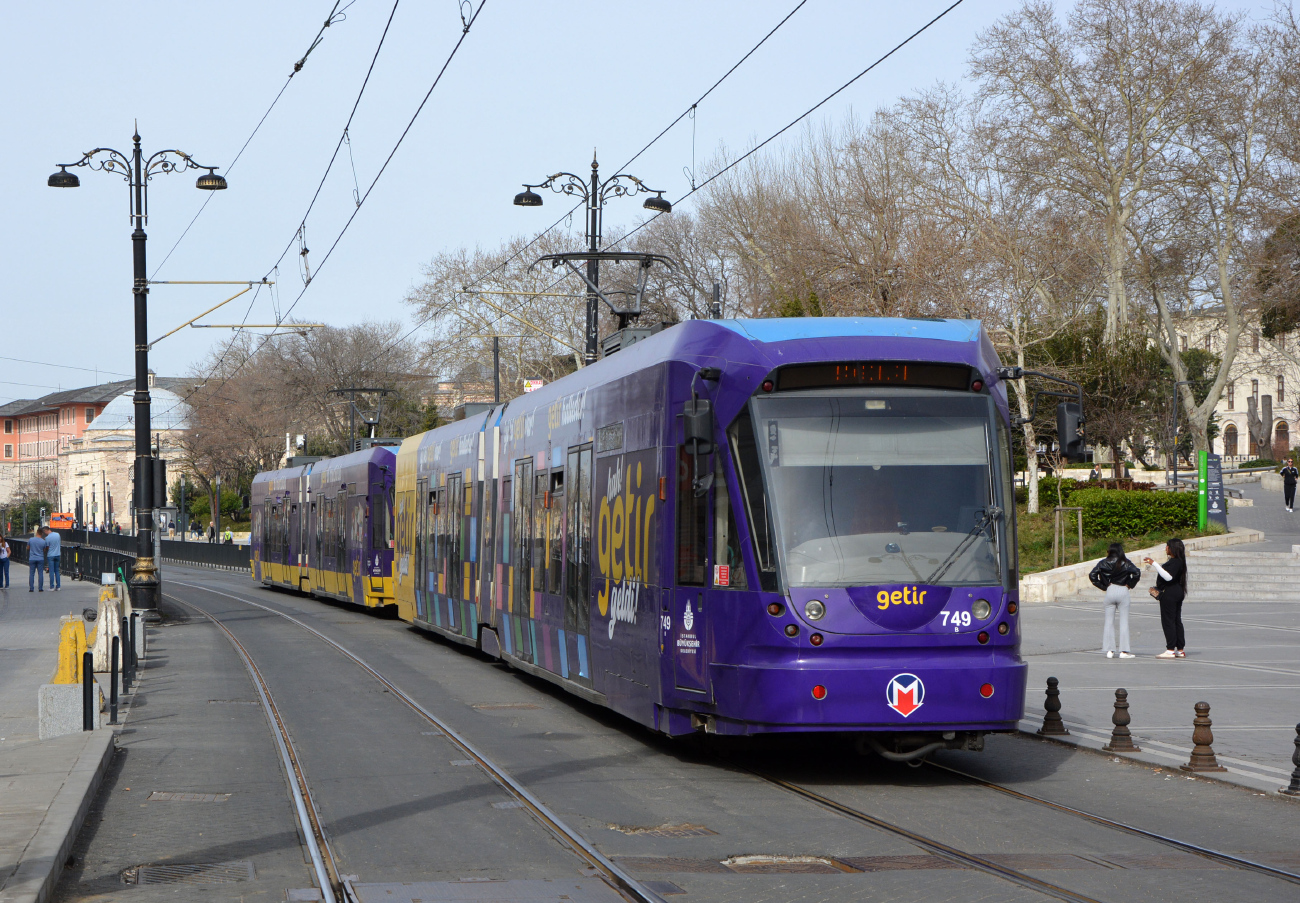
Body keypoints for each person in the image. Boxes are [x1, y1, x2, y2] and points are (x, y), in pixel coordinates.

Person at [1089, 542, 1141, 659]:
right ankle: (1124, 651)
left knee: (1108, 622)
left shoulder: (1103, 562)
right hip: (1123, 590)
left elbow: (1092, 575)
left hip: (1110, 590)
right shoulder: (1126, 562)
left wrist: (1104, 586)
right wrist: (1130, 584)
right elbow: (1137, 572)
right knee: (1124, 622)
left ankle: (1109, 650)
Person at [1145, 538, 1188, 658]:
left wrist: (1154, 564)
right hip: (1177, 592)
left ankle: (1170, 649)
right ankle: (1180, 649)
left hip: (1170, 593)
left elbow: (1168, 577)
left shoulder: (1175, 562)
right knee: (1176, 620)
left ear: (1172, 548)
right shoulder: (1179, 561)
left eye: (1167, 546)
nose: (1166, 549)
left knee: (1168, 621)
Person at [27, 528, 47, 592]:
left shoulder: (31, 540)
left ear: (36, 533)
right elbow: (44, 550)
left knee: (32, 573)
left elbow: (28, 548)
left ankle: (31, 588)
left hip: (32, 558)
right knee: (40, 573)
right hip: (40, 558)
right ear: (42, 534)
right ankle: (40, 588)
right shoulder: (43, 541)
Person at [43, 526, 61, 591]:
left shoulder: (47, 538)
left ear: (45, 531)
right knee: (57, 571)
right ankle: (58, 586)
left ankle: (52, 587)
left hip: (51, 555)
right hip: (58, 554)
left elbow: (47, 547)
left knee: (51, 571)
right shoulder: (57, 534)